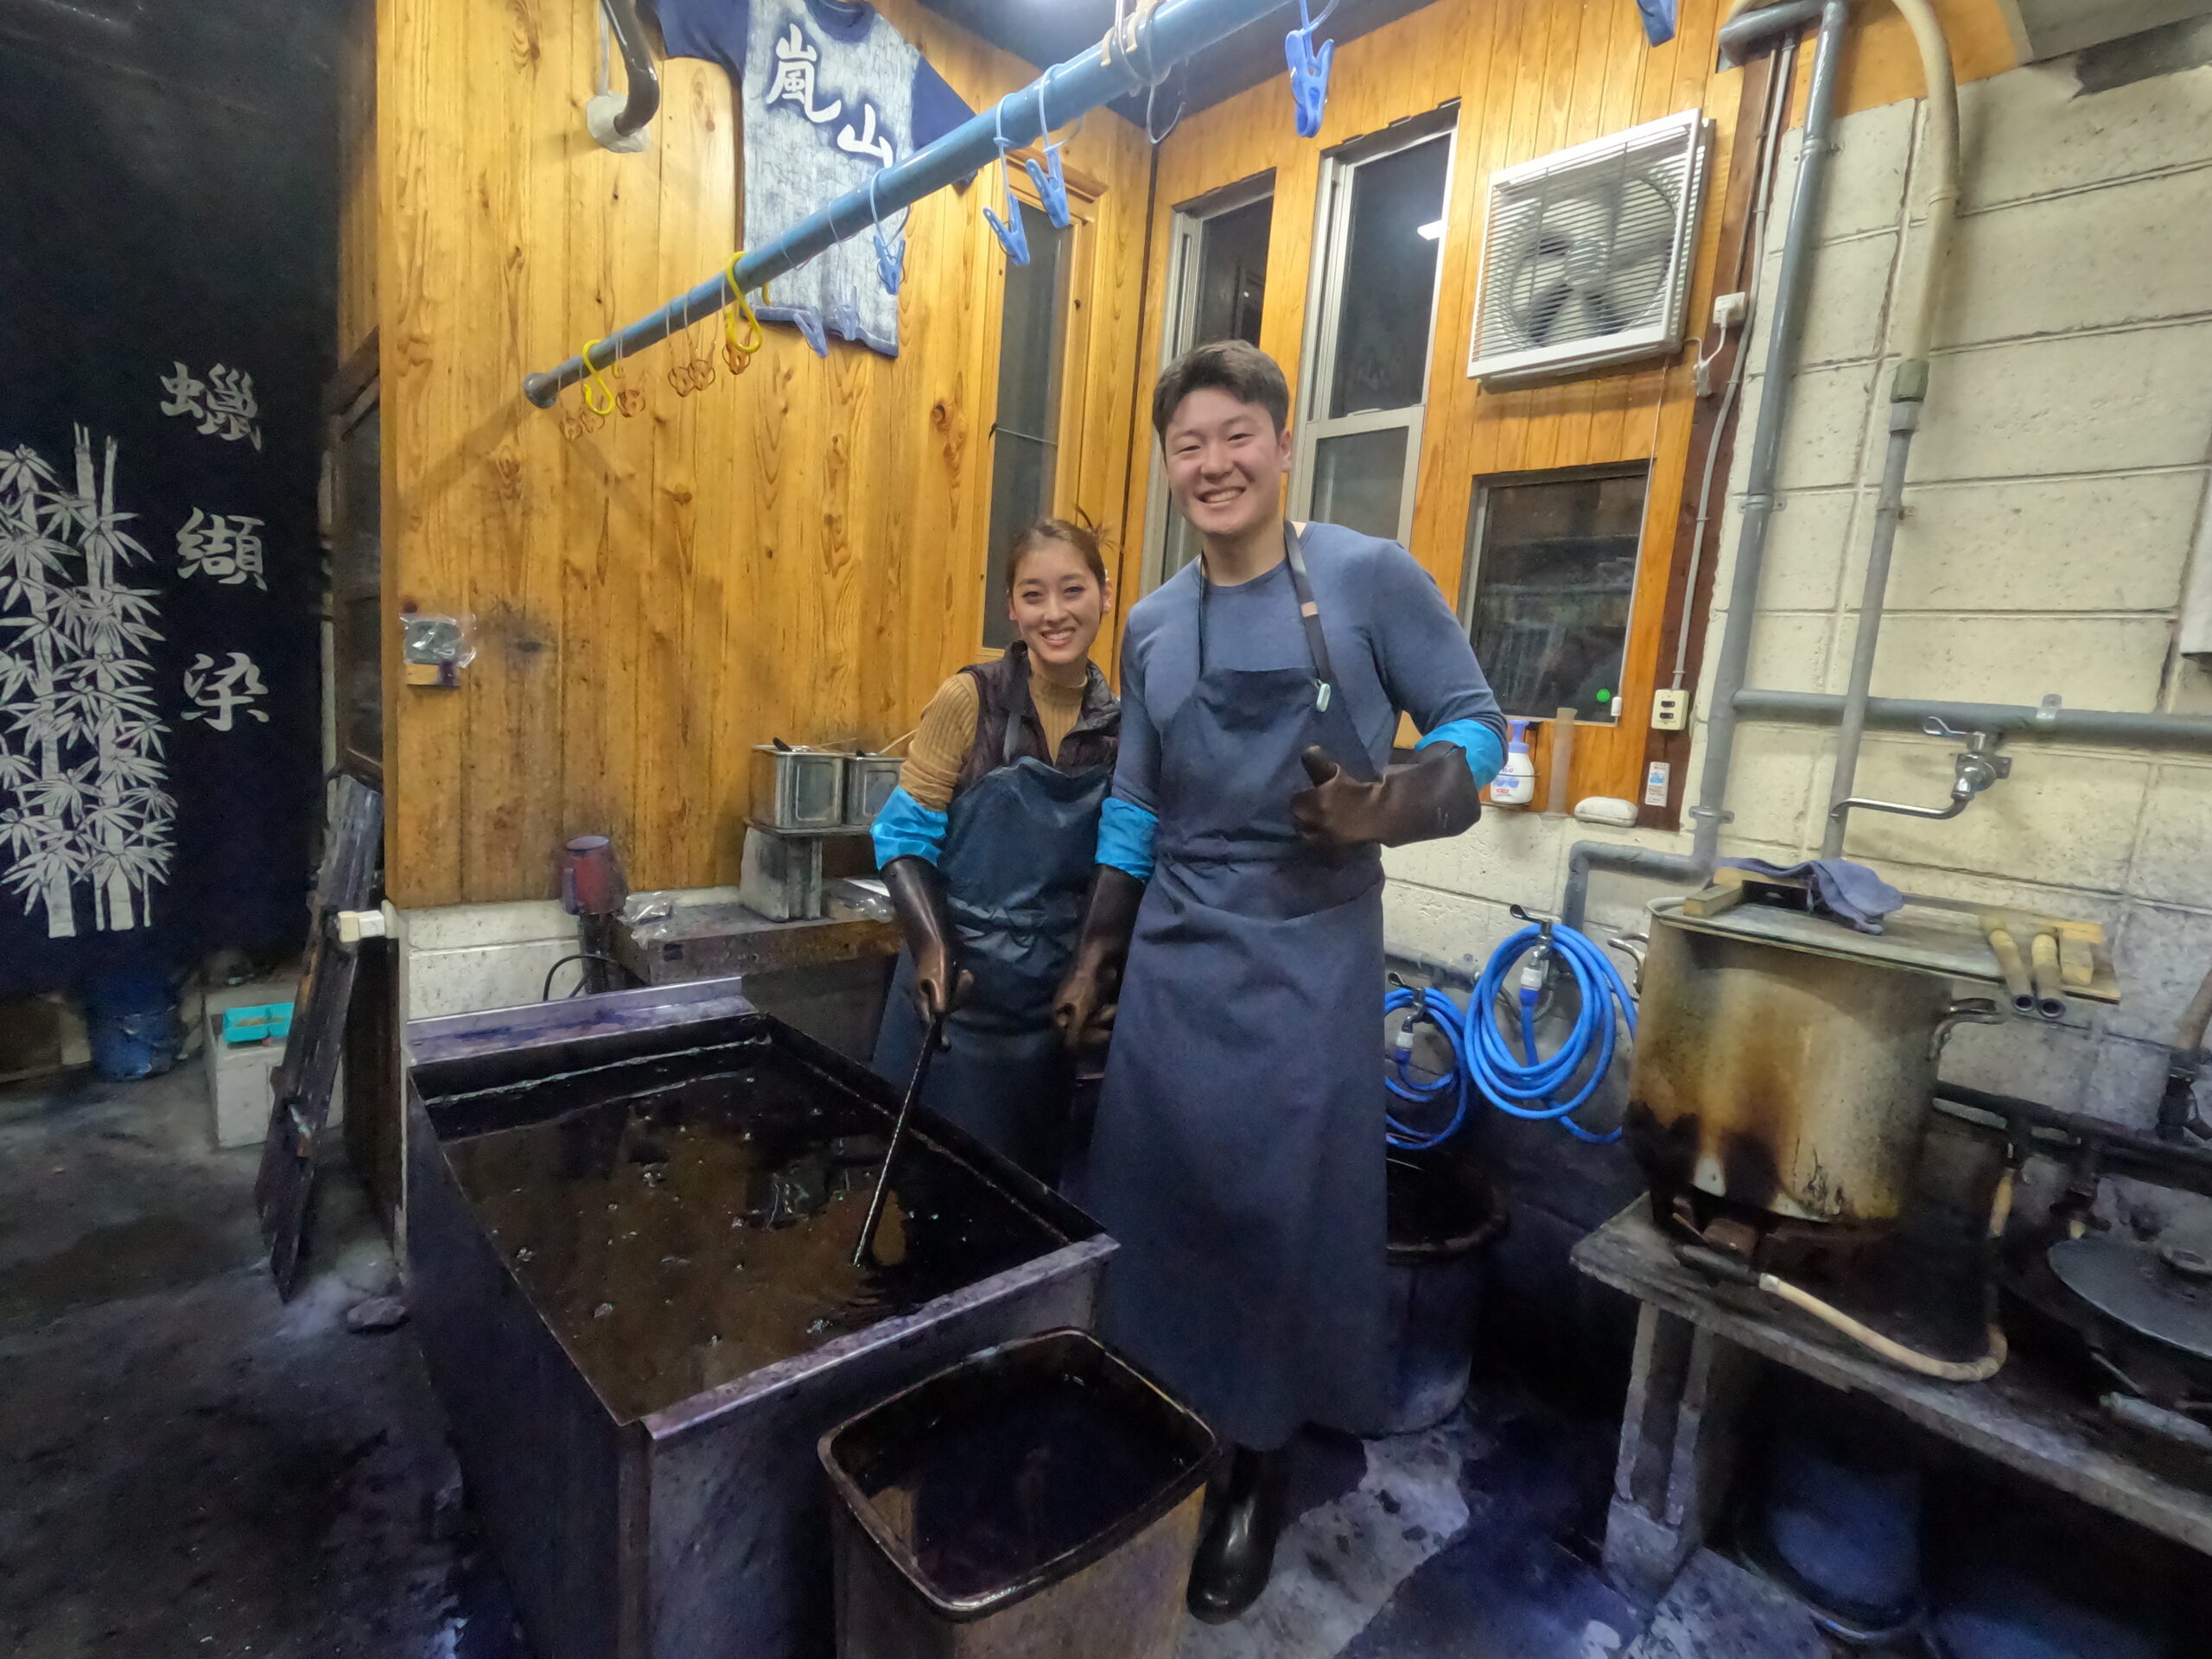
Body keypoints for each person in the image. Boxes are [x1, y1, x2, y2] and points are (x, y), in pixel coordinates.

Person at [1052, 341, 1505, 1622]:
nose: (1213, 464)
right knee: (1155, 1205)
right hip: (1178, 961)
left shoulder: (1365, 579)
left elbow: (1480, 727)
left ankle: (1256, 1467)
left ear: (1282, 444)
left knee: (1269, 1223)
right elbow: (1134, 807)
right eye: (1187, 444)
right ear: (1168, 465)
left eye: (1235, 435)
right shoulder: (1153, 622)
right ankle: (1164, 1432)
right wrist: (1097, 952)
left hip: (1310, 958)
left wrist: (1393, 800)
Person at [869, 518, 1122, 1184]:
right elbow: (902, 836)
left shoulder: (1121, 728)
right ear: (1012, 606)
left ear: (1105, 594)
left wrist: (1095, 970)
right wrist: (933, 946)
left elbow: (1121, 862)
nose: (1054, 612)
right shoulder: (970, 701)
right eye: (1034, 595)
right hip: (950, 1005)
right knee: (924, 1190)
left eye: (1073, 590)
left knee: (1021, 1199)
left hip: (1046, 1015)